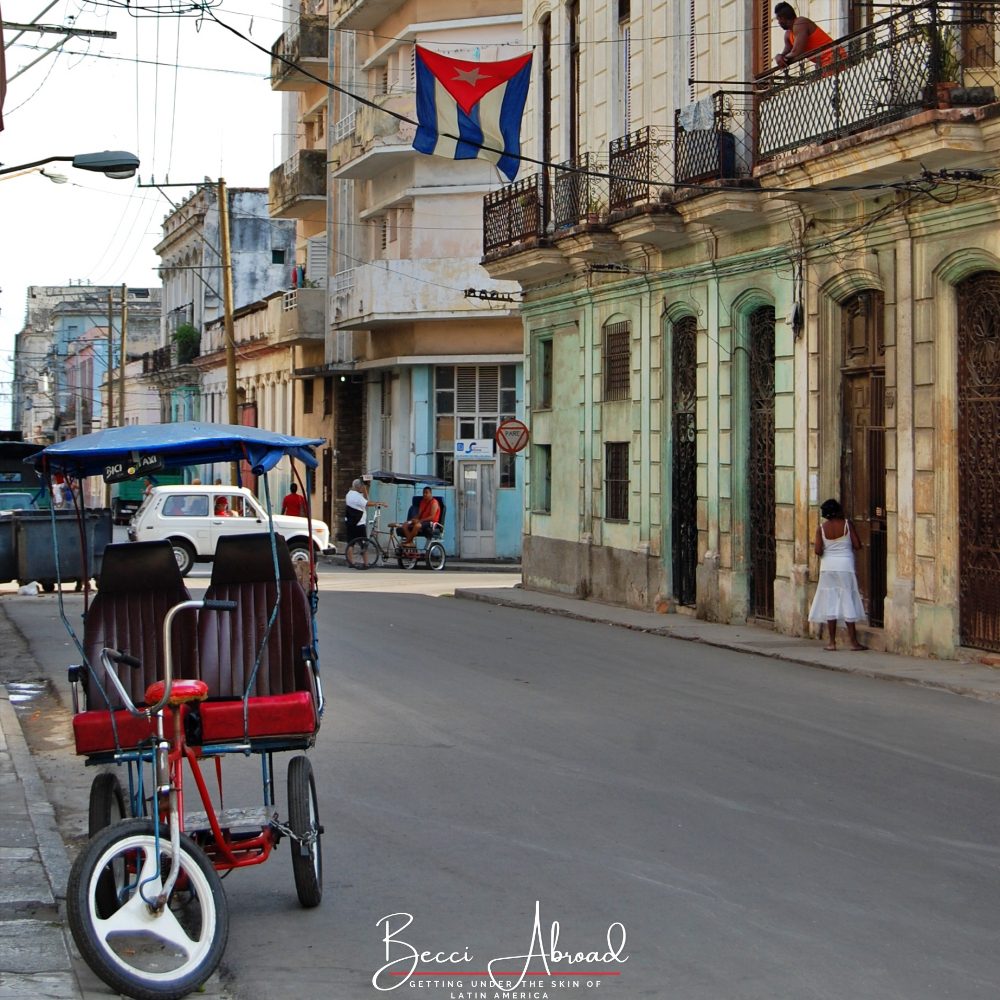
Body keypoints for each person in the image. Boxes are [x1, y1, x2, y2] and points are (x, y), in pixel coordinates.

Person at [808, 498, 867, 651]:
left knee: (830, 601)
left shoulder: (821, 528)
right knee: (847, 598)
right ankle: (853, 643)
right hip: (845, 566)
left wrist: (829, 549)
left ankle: (831, 643)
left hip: (827, 567)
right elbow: (857, 544)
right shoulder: (847, 524)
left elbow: (818, 551)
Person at [774, 3, 844, 70]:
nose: (778, 23)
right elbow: (786, 52)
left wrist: (782, 58)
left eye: (778, 19)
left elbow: (796, 51)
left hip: (836, 58)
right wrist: (779, 56)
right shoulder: (788, 34)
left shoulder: (800, 23)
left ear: (783, 18)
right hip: (823, 64)